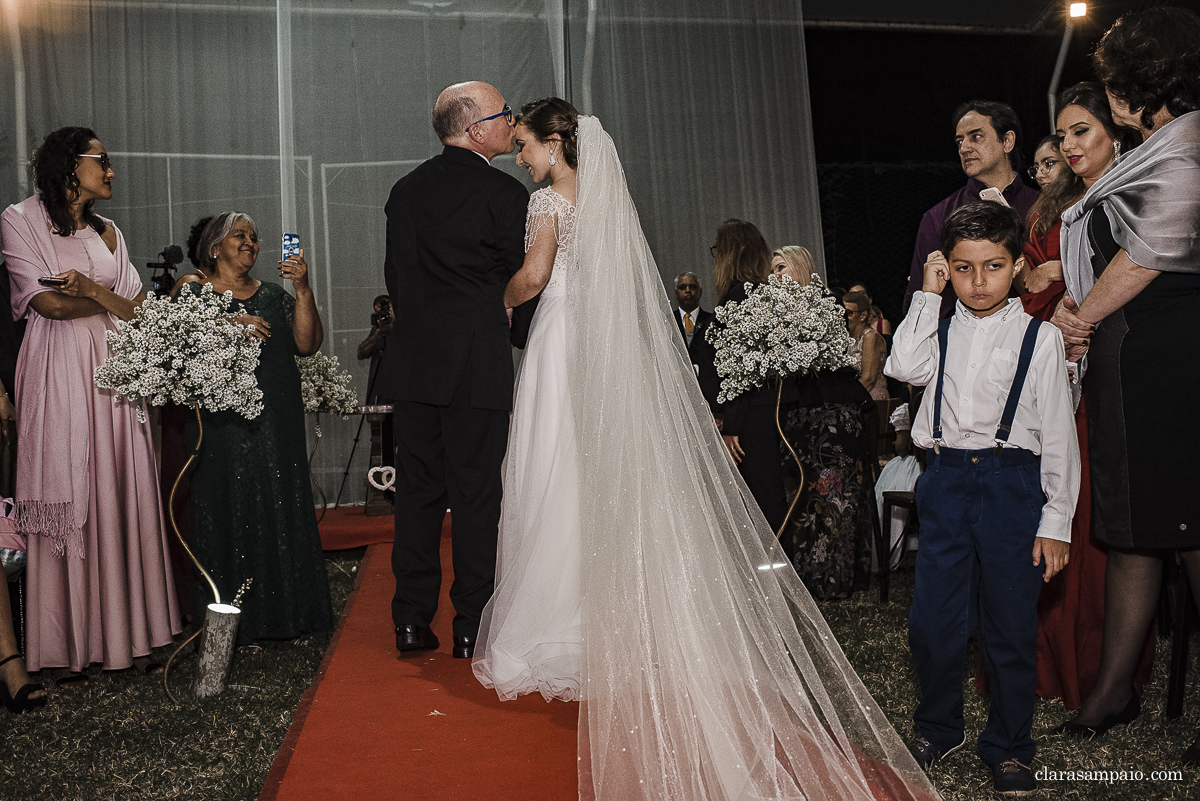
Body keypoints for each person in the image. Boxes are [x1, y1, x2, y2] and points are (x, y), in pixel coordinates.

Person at [476, 97, 936, 801]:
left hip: (561, 344)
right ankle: (603, 614)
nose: (520, 155)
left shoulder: (547, 204)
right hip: (604, 351)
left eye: (526, 145)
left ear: (554, 144)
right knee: (596, 474)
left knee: (551, 468)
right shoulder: (605, 199)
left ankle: (555, 618)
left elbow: (535, 278)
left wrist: (498, 298)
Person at [886, 202, 1079, 795]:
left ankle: (1011, 743)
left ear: (1018, 267)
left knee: (1010, 626)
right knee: (932, 624)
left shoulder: (1041, 339)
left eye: (993, 267)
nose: (977, 282)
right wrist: (928, 293)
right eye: (963, 269)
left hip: (1011, 486)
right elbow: (902, 365)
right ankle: (939, 726)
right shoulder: (937, 328)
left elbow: (1059, 438)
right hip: (944, 483)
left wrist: (1057, 522)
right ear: (948, 269)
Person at [1049, 7, 1200, 765]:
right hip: (1132, 366)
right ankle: (1114, 687)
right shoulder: (1154, 147)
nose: (1108, 95)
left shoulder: (1188, 149)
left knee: (1194, 531)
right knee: (1134, 528)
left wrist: (1081, 320)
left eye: (1114, 81)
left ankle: (1120, 687)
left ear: (1144, 81)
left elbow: (1150, 253)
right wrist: (1088, 321)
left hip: (1174, 366)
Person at [976, 82, 1151, 711]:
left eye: (1083, 130)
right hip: (1064, 374)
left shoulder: (1136, 189)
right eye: (1065, 134)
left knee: (1112, 520)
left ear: (1116, 130)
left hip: (1124, 366)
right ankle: (1053, 662)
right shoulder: (1055, 208)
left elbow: (1142, 270)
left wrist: (1071, 296)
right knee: (1065, 508)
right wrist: (1047, 289)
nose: (1071, 145)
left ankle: (1102, 668)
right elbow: (1024, 286)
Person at [1, 127, 181, 684]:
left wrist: (96, 293)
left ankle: (127, 638)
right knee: (68, 490)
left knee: (118, 489)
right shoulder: (20, 219)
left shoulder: (110, 233)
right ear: (68, 167)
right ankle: (67, 644)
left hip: (115, 372)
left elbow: (136, 311)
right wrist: (102, 301)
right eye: (102, 160)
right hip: (57, 371)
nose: (111, 171)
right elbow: (49, 304)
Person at [376, 81, 527, 660]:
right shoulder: (503, 194)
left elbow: (398, 279)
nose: (511, 123)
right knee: (475, 496)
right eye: (503, 114)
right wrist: (517, 333)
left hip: (414, 363)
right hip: (476, 366)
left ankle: (411, 622)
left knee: (416, 496)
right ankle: (472, 626)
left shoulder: (406, 190)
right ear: (474, 129)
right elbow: (521, 283)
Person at [178, 211, 333, 645]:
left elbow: (307, 343)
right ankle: (232, 620)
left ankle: (290, 614)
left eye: (255, 237)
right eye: (239, 235)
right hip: (223, 423)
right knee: (229, 504)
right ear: (214, 246)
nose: (251, 243)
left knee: (280, 502)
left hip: (277, 417)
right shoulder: (193, 289)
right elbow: (177, 340)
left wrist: (301, 288)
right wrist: (229, 324)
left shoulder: (272, 294)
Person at [905, 100, 1040, 317]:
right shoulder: (938, 217)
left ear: (1007, 141)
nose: (964, 148)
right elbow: (920, 298)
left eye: (976, 137)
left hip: (1038, 339)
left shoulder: (1044, 206)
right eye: (960, 141)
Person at [713, 219, 788, 535]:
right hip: (774, 410)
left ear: (730, 253)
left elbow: (740, 369)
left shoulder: (737, 297)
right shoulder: (767, 293)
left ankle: (769, 578)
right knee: (772, 497)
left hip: (750, 419)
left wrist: (731, 426)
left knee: (757, 505)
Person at [671, 272, 719, 412]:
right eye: (682, 287)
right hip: (676, 393)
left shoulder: (713, 321)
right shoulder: (666, 322)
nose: (687, 291)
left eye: (692, 286)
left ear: (700, 291)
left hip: (708, 394)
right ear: (676, 293)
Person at [843, 290, 889, 401]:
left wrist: (847, 400)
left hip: (871, 399)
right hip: (855, 397)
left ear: (863, 315)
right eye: (842, 312)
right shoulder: (846, 338)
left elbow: (869, 379)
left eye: (849, 313)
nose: (844, 317)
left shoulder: (870, 337)